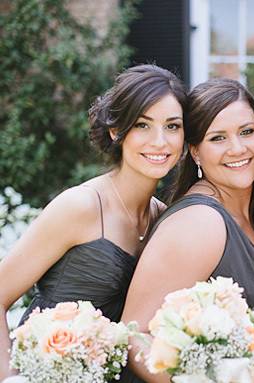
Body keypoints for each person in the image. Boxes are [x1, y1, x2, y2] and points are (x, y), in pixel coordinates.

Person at [0, 64, 186, 380]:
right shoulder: (81, 206)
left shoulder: (162, 218)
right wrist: (11, 378)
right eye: (143, 125)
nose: (160, 141)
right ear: (117, 131)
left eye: (172, 126)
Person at [120, 78, 254, 382]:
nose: (237, 148)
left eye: (246, 132)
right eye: (218, 138)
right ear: (196, 152)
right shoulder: (199, 222)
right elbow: (135, 334)